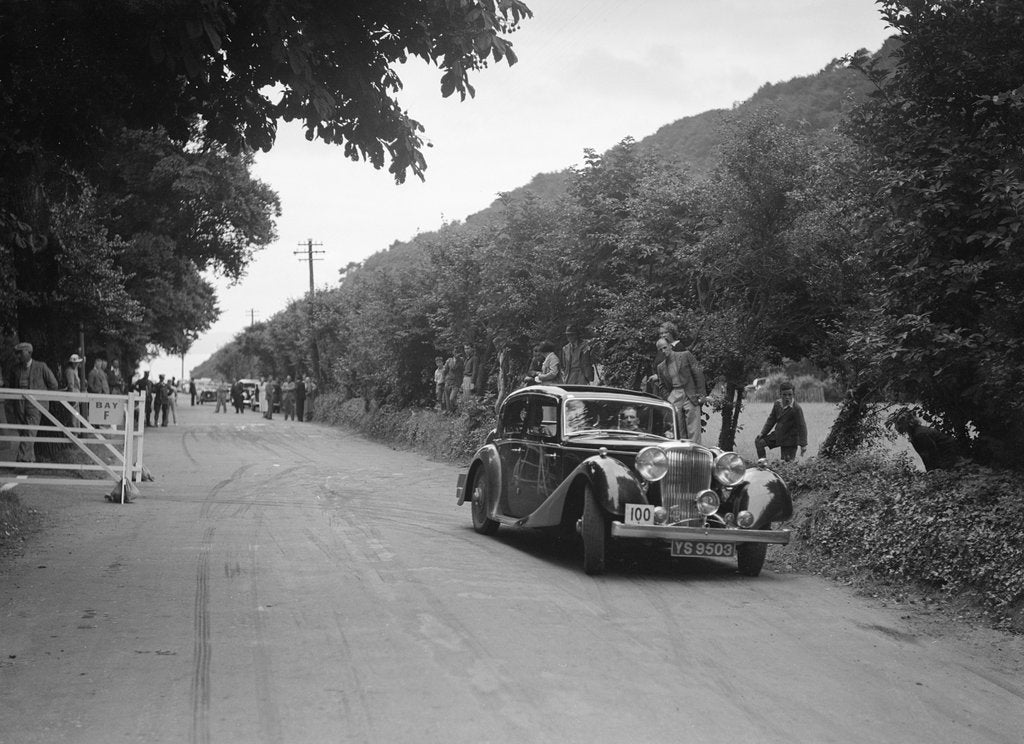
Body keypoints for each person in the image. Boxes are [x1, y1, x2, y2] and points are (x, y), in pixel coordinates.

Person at [4, 342, 59, 462]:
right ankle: (30, 460)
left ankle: (21, 460)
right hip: (19, 406)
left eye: (20, 353)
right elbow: (12, 387)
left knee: (29, 432)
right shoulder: (15, 369)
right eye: (17, 353)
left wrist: (42, 398)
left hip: (35, 405)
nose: (18, 356)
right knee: (24, 432)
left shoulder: (41, 367)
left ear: (29, 353)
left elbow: (54, 385)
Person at [654, 336, 706, 443]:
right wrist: (668, 397)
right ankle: (681, 451)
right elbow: (661, 385)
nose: (663, 351)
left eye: (665, 347)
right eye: (660, 350)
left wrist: (701, 395)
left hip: (689, 393)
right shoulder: (661, 367)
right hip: (674, 395)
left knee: (693, 428)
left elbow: (698, 374)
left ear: (670, 346)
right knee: (677, 428)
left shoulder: (685, 355)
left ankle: (694, 451)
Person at [755, 381, 807, 461]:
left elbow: (802, 426)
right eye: (784, 395)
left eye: (790, 395)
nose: (787, 397)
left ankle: (787, 466)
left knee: (787, 463)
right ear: (780, 394)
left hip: (790, 440)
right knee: (759, 442)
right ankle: (763, 464)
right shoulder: (777, 404)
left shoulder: (796, 409)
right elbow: (771, 420)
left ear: (793, 394)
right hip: (778, 435)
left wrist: (803, 444)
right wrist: (763, 433)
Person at [894, 412, 960, 471]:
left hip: (951, 459)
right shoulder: (917, 432)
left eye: (900, 424)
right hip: (949, 458)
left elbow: (932, 454)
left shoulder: (919, 434)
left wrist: (933, 472)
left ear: (908, 423)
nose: (898, 427)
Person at [442, 349, 463, 413]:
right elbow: (444, 371)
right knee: (447, 400)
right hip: (448, 382)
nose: (457, 354)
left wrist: (461, 382)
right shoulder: (449, 360)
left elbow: (462, 372)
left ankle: (456, 410)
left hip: (456, 383)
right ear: (453, 353)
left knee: (452, 398)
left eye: (458, 353)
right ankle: (450, 413)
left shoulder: (461, 360)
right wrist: (444, 380)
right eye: (455, 352)